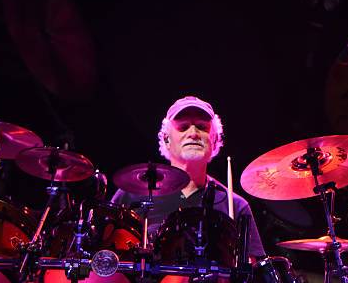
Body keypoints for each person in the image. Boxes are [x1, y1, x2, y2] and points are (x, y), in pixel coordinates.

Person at [112, 95, 265, 258]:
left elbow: (253, 269)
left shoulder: (235, 205)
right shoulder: (133, 191)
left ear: (214, 139)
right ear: (166, 139)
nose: (193, 133)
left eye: (202, 127)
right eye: (184, 127)